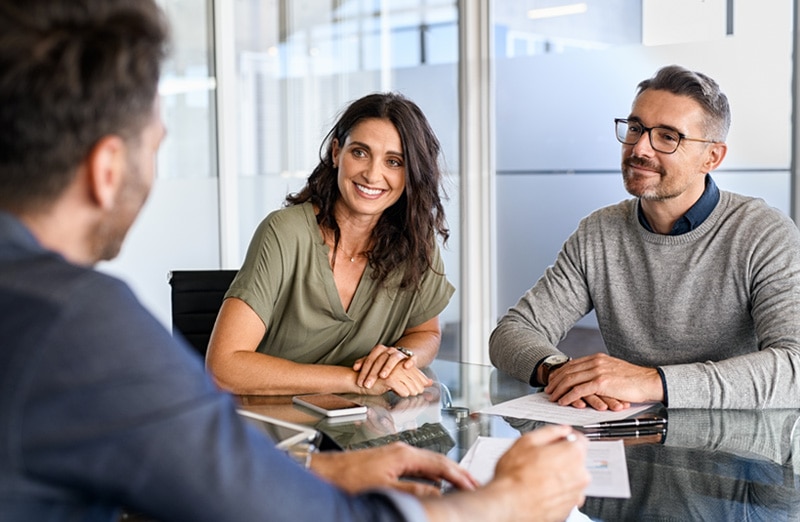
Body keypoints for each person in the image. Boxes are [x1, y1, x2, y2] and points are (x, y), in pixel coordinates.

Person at [0, 1, 591, 521]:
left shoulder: (39, 307)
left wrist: (330, 460)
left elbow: (202, 477)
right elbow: (261, 490)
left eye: (394, 162)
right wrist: (503, 503)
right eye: (156, 147)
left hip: (310, 450)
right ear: (108, 170)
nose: (373, 174)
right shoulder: (77, 323)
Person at [490, 64, 800, 411]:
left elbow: (794, 368)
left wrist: (651, 381)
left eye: (668, 136)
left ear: (711, 157)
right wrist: (561, 371)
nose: (640, 149)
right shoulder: (599, 232)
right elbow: (512, 332)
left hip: (740, 453)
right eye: (636, 128)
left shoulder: (763, 233)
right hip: (628, 444)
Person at [206, 92, 454, 397]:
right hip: (270, 428)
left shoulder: (416, 240)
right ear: (337, 152)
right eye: (360, 153)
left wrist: (401, 356)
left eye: (394, 161)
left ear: (411, 172)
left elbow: (425, 332)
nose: (373, 174)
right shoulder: (285, 232)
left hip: (360, 430)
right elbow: (223, 367)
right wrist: (355, 381)